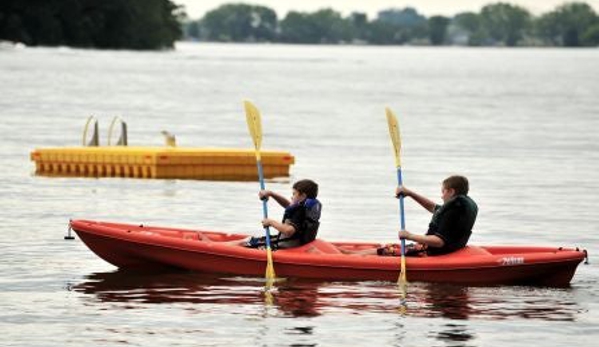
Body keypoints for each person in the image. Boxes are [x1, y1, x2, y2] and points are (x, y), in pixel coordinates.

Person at [346, 175, 478, 256]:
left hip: (432, 252)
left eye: (443, 191)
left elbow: (439, 242)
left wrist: (410, 236)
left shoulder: (454, 210)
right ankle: (351, 254)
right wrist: (410, 193)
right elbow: (433, 208)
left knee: (386, 251)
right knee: (389, 248)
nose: (441, 195)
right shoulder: (459, 205)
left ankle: (352, 257)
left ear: (451, 191)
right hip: (436, 249)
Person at [230, 179, 322, 249]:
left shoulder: (300, 210)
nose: (291, 196)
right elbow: (288, 205)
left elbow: (288, 231)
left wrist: (270, 222)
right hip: (294, 243)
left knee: (246, 243)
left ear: (303, 196)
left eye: (294, 194)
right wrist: (271, 194)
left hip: (286, 245)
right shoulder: (306, 207)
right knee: (250, 239)